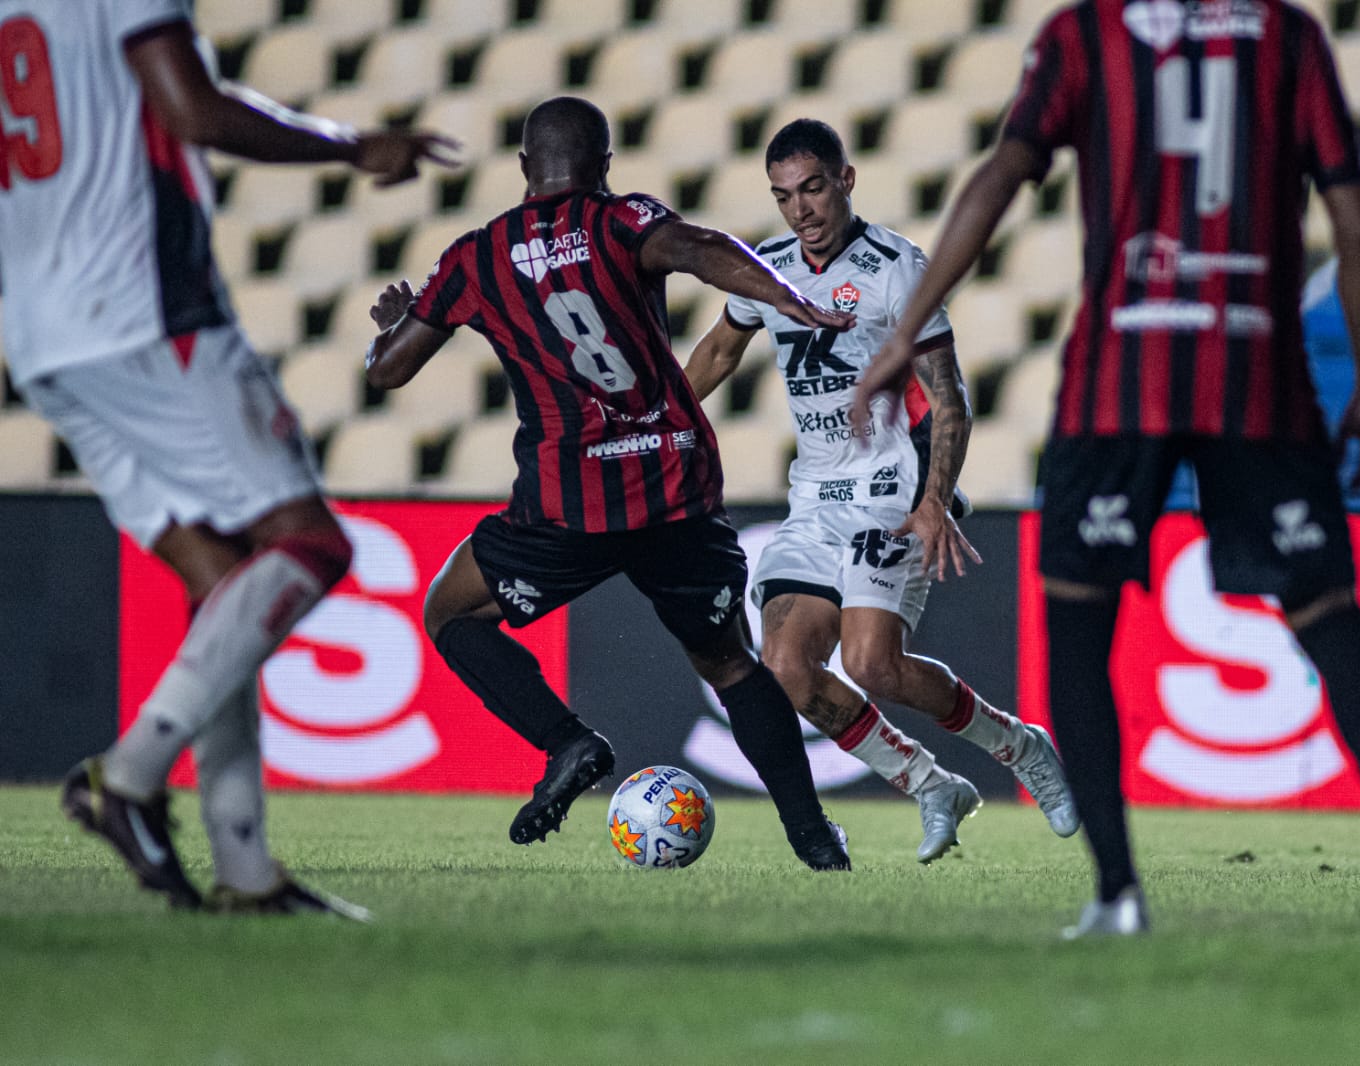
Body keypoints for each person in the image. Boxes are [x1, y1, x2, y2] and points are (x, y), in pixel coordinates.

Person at [853, 1, 1360, 938]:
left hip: (1122, 377)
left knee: (1078, 625)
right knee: (1326, 610)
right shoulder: (1288, 36)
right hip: (1260, 374)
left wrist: (905, 327)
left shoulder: (1086, 35)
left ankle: (1118, 892)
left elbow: (1003, 174)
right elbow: (1354, 217)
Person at [0, 0, 452, 914]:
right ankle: (126, 778)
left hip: (40, 333)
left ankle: (248, 873)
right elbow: (189, 109)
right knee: (312, 545)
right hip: (141, 307)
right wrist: (352, 146)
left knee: (223, 581)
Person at [365, 97, 854, 871]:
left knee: (451, 612)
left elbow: (389, 373)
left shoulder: (476, 255)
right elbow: (697, 246)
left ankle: (568, 742)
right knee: (730, 664)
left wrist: (392, 327)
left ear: (526, 168)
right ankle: (813, 839)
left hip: (567, 506)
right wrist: (785, 296)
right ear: (604, 164)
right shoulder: (621, 221)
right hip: (672, 488)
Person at [683, 119, 1079, 863]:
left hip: (893, 490)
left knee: (872, 665)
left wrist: (934, 499)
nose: (800, 209)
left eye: (812, 188)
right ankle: (930, 784)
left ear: (846, 180)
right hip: (814, 500)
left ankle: (1019, 747)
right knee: (787, 671)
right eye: (783, 196)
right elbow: (719, 350)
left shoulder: (898, 268)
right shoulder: (766, 270)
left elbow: (949, 394)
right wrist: (657, 415)